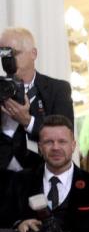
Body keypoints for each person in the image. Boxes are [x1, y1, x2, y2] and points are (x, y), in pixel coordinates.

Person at [1, 115, 89, 232]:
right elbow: (4, 221)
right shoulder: (19, 182)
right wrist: (18, 225)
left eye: (62, 141)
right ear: (40, 147)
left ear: (73, 145)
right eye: (48, 142)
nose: (55, 147)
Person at [1, 27, 73, 175]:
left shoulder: (57, 89)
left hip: (41, 176)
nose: (7, 60)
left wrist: (28, 121)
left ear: (33, 54)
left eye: (13, 53)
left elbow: (64, 134)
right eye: (3, 54)